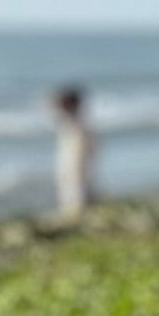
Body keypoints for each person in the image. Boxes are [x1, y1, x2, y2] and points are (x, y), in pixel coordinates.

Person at [50, 84, 97, 222]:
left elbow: (90, 147)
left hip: (77, 166)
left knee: (77, 198)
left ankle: (78, 221)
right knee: (71, 197)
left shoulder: (79, 124)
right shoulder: (70, 122)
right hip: (70, 166)